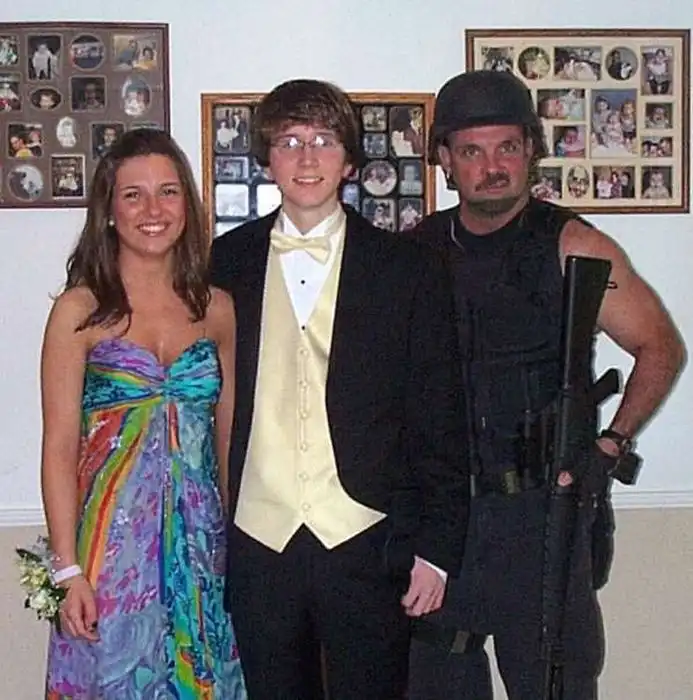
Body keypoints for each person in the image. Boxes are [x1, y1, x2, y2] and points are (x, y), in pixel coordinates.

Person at [406, 69, 685, 700]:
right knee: (434, 679)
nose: (493, 167)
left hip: (540, 514)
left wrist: (610, 445)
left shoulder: (575, 246)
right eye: (472, 151)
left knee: (553, 681)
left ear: (531, 149)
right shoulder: (416, 251)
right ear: (445, 160)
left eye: (507, 147)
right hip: (444, 516)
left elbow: (660, 347)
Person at [209, 78, 469, 700]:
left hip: (366, 536)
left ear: (349, 161)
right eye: (289, 141)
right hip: (259, 538)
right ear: (266, 160)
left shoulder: (407, 268)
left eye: (324, 140)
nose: (307, 157)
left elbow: (438, 414)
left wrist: (436, 549)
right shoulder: (224, 261)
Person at [41, 127, 246, 698]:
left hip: (202, 549)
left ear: (188, 205)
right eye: (133, 195)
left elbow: (228, 441)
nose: (153, 210)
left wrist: (239, 554)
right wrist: (66, 568)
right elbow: (59, 445)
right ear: (109, 211)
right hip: (108, 553)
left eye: (168, 192)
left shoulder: (218, 309)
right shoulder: (79, 311)